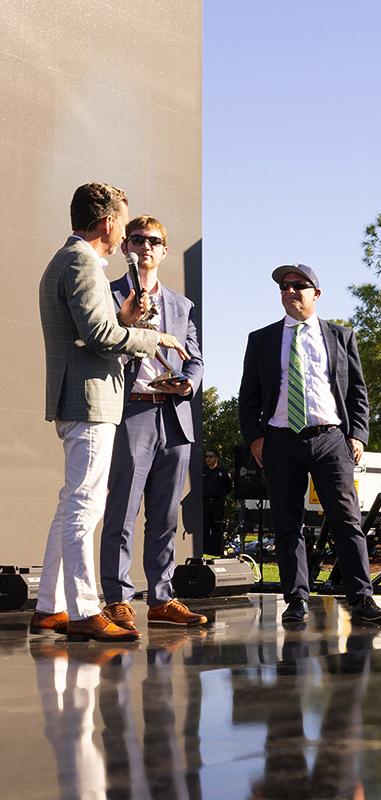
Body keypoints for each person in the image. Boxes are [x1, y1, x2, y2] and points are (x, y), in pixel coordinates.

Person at [35, 183, 190, 641]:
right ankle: (84, 611)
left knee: (71, 504)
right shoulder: (82, 260)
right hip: (90, 400)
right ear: (107, 224)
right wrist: (153, 337)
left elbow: (95, 330)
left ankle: (49, 606)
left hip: (83, 398)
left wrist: (124, 321)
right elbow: (101, 336)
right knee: (86, 504)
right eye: (124, 223)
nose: (125, 232)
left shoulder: (70, 260)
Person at [237, 264, 381, 627]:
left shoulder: (340, 336)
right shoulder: (262, 339)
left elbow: (357, 391)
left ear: (316, 294)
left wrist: (358, 435)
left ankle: (362, 598)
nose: (289, 292)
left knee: (347, 520)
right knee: (287, 525)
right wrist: (255, 438)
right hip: (279, 441)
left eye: (298, 286)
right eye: (284, 287)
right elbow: (249, 396)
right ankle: (296, 599)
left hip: (330, 440)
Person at [99, 215, 207, 630]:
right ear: (126, 246)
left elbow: (195, 358)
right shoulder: (110, 295)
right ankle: (118, 598)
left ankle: (162, 597)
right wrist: (127, 323)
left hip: (174, 415)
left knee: (164, 517)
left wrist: (188, 383)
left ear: (164, 249)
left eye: (154, 240)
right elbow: (102, 345)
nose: (146, 246)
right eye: (138, 239)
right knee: (122, 509)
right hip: (133, 411)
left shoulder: (182, 306)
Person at [202, 450, 234, 555]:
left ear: (216, 458)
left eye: (210, 456)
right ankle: (204, 550)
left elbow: (229, 487)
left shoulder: (222, 472)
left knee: (217, 528)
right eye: (206, 457)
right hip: (205, 503)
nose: (208, 459)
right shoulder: (202, 471)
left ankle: (216, 551)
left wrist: (220, 494)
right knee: (204, 527)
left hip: (218, 504)